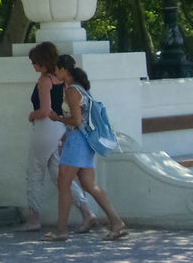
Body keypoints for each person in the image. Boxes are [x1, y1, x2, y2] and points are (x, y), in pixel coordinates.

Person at [45, 55, 127, 241]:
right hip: (85, 142)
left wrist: (58, 118)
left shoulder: (72, 91)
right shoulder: (81, 89)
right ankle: (116, 222)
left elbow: (76, 120)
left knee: (64, 184)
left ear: (63, 70)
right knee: (89, 185)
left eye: (56, 69)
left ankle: (61, 230)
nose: (55, 73)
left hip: (76, 142)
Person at [22, 42, 95, 233]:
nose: (34, 66)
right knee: (59, 176)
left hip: (45, 129)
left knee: (34, 172)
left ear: (43, 62)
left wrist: (33, 114)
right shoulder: (63, 80)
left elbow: (45, 110)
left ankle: (34, 217)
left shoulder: (45, 80)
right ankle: (86, 212)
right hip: (61, 128)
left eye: (35, 62)